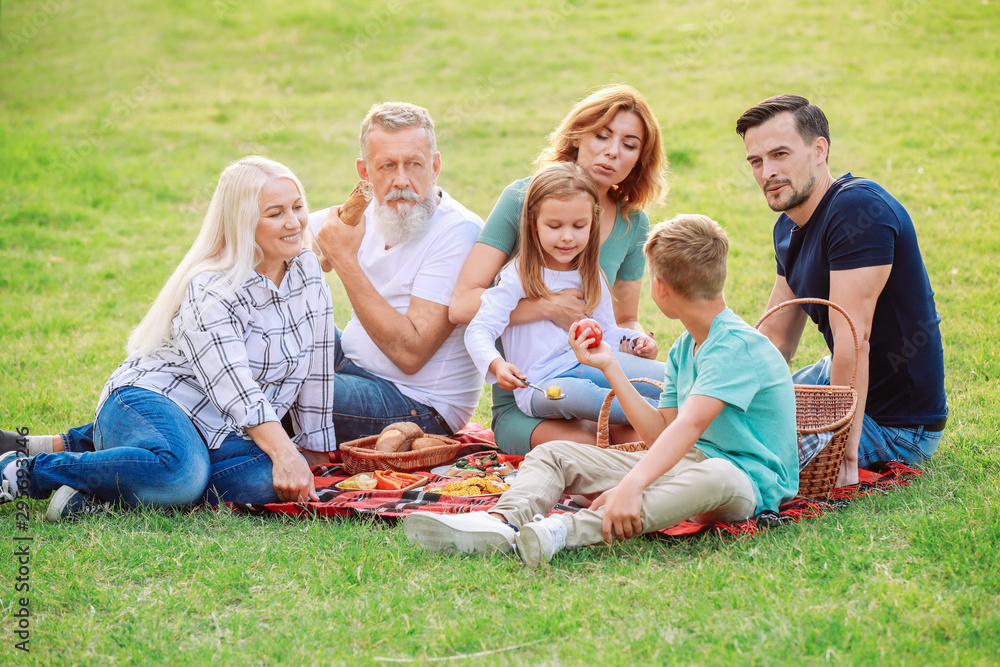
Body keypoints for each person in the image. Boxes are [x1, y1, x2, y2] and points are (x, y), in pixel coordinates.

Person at [403, 215, 799, 567]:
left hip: (748, 482)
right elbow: (661, 433)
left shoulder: (737, 346)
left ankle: (563, 532)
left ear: (658, 288)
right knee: (552, 453)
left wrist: (631, 485)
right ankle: (500, 522)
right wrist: (610, 365)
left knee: (716, 476)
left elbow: (690, 426)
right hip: (689, 461)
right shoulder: (685, 347)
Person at [0, 156, 337, 521]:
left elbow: (317, 368)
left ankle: (110, 483)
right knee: (182, 473)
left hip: (221, 428)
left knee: (265, 480)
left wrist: (313, 452)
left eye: (298, 207)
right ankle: (24, 473)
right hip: (153, 400)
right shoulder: (212, 289)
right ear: (243, 223)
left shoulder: (307, 272)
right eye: (276, 213)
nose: (294, 222)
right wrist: (286, 453)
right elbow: (236, 389)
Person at [736, 94, 948, 486]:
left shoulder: (857, 211)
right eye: (756, 161)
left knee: (748, 465)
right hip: (833, 379)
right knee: (722, 424)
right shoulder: (787, 224)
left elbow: (855, 338)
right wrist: (724, 395)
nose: (767, 171)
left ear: (819, 150)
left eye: (780, 154)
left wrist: (843, 454)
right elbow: (776, 336)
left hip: (897, 423)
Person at [450, 84, 667, 454]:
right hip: (531, 394)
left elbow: (623, 319)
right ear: (578, 136)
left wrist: (636, 342)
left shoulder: (633, 223)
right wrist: (549, 306)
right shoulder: (524, 199)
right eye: (601, 135)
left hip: (595, 371)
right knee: (588, 448)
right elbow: (462, 305)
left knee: (641, 437)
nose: (612, 151)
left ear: (639, 159)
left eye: (629, 145)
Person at [310, 102, 484, 445]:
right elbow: (282, 238)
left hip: (416, 404)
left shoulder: (458, 232)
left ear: (434, 166)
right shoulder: (370, 210)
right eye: (387, 166)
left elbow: (411, 353)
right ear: (364, 172)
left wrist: (344, 260)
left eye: (414, 164)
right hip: (353, 364)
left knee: (288, 387)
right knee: (267, 345)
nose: (401, 180)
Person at [464, 162, 664, 426]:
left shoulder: (592, 275)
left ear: (592, 223)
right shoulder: (519, 274)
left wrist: (636, 340)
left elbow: (606, 333)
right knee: (586, 397)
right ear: (534, 223)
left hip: (587, 364)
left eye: (579, 226)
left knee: (666, 377)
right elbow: (478, 330)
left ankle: (691, 413)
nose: (568, 237)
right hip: (541, 383)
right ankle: (672, 420)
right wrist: (496, 364)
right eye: (555, 226)